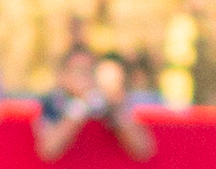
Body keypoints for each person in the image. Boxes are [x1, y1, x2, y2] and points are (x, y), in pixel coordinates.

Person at [35, 45, 163, 161]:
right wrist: (80, 107)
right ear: (63, 76)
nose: (86, 77)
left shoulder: (107, 100)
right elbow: (48, 150)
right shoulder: (55, 102)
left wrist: (115, 108)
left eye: (90, 71)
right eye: (79, 71)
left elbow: (144, 150)